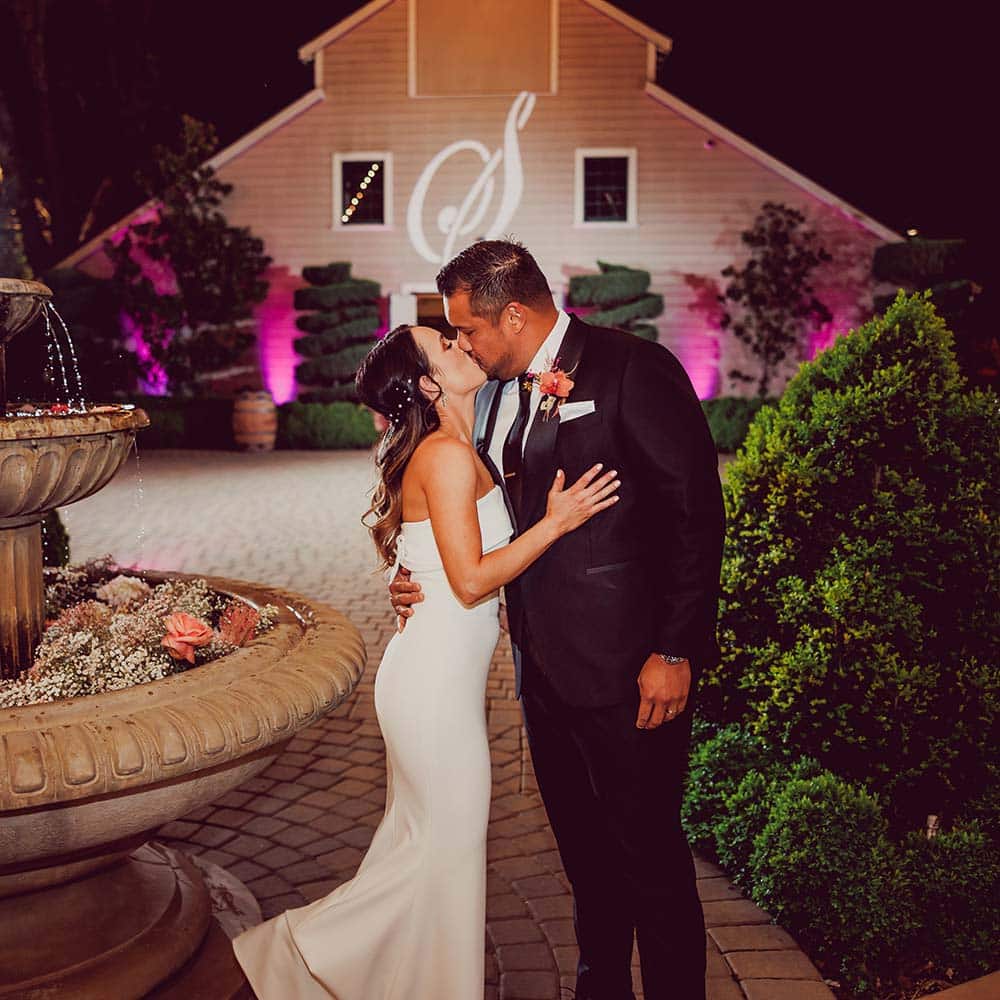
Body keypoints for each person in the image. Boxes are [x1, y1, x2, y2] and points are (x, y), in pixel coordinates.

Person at [231, 321, 620, 999]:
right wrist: (557, 523)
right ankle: (290, 955)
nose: (460, 343)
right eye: (443, 344)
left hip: (435, 681)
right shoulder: (443, 456)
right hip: (433, 693)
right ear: (428, 385)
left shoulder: (464, 440)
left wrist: (403, 574)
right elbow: (470, 580)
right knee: (445, 857)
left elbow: (432, 550)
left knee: (423, 856)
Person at [390, 239, 726, 1000]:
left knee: (651, 860)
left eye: (469, 330)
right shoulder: (490, 395)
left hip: (631, 673)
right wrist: (417, 577)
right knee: (585, 860)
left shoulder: (632, 369)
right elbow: (475, 521)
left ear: (514, 314)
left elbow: (693, 516)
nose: (464, 346)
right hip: (542, 674)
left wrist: (675, 649)